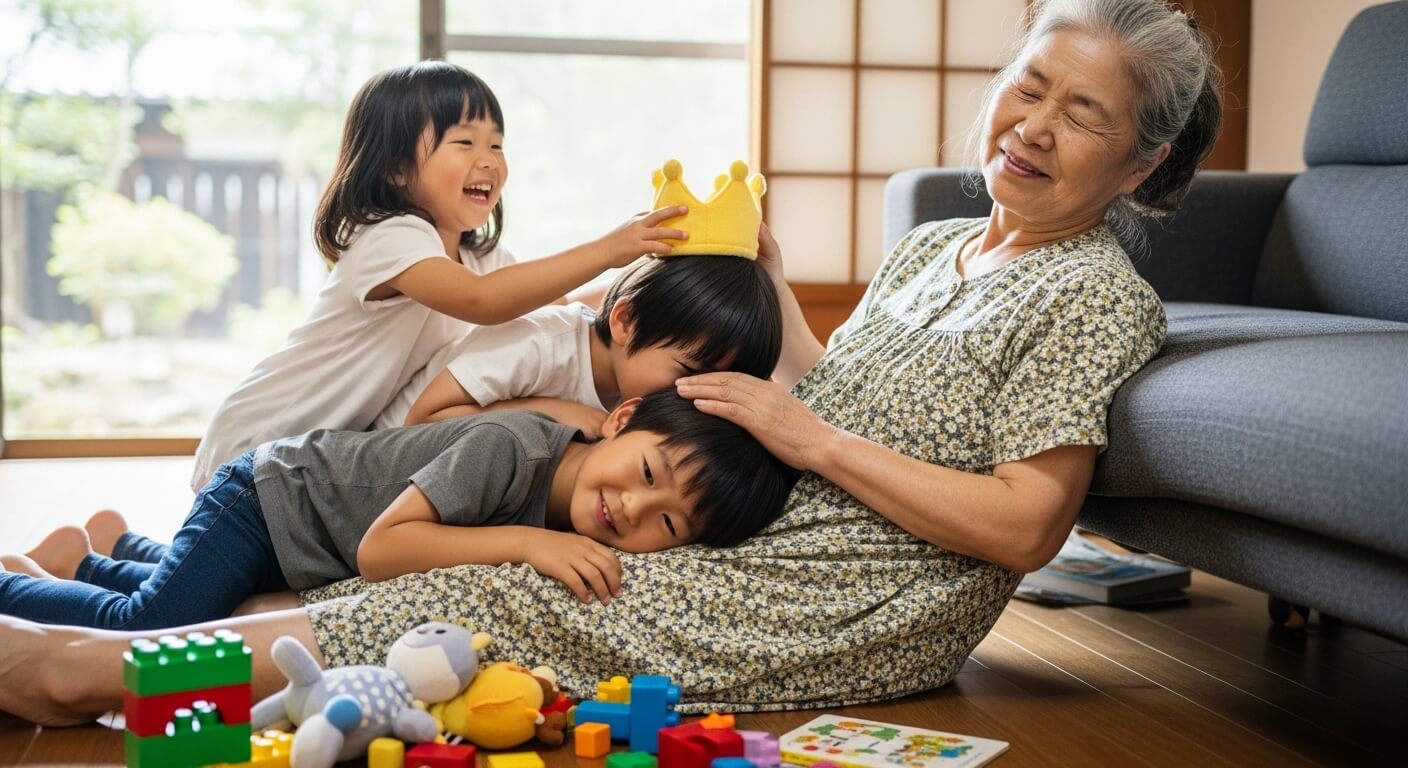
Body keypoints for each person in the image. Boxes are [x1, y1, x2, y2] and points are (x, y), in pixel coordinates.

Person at [0, 0, 1222, 725]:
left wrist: (809, 442)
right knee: (470, 571)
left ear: (1139, 166)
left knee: (518, 591)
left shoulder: (1095, 297)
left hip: (854, 594)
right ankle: (135, 639)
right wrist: (773, 289)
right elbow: (832, 381)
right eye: (1028, 86)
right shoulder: (941, 244)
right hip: (756, 526)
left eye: (1083, 117)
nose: (1032, 127)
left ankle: (83, 671)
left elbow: (1023, 529)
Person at [188, 60, 689, 491]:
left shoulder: (480, 255)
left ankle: (126, 547)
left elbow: (555, 309)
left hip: (314, 462)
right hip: (260, 437)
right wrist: (608, 249)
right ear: (395, 170)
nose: (487, 160)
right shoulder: (392, 238)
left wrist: (659, 268)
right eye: (464, 142)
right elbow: (483, 301)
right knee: (217, 586)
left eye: (496, 144)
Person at [0, 391, 799, 631]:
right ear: (621, 421)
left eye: (668, 523)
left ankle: (99, 552)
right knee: (153, 625)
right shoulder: (512, 449)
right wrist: (525, 544)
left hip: (299, 541)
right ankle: (18, 589)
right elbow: (385, 553)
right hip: (271, 499)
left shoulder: (575, 505)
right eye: (648, 471)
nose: (632, 507)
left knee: (216, 592)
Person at [376, 254, 782, 438]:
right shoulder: (539, 342)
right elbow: (423, 419)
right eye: (688, 373)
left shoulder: (631, 388)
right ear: (625, 321)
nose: (693, 395)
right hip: (383, 458)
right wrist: (554, 413)